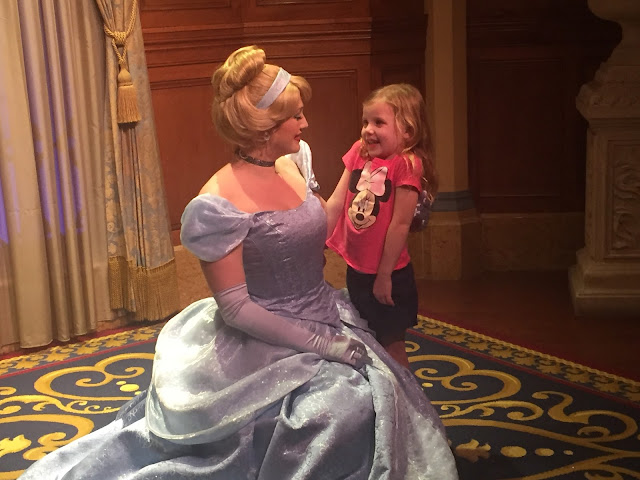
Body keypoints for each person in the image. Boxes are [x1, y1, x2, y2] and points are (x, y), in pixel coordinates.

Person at [18, 47, 457, 479]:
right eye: (296, 116)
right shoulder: (217, 202)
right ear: (266, 127)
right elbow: (236, 308)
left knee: (381, 391)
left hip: (325, 312)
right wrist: (321, 345)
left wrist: (353, 170)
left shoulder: (291, 165)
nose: (305, 123)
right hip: (262, 338)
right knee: (336, 412)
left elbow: (318, 228)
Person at [325, 83, 438, 368]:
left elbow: (400, 224)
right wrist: (318, 242)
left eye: (379, 122)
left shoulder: (407, 165)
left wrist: (384, 276)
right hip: (358, 270)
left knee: (392, 347)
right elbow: (337, 201)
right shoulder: (358, 152)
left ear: (408, 131)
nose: (368, 130)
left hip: (389, 276)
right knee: (366, 340)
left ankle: (405, 395)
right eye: (365, 122)